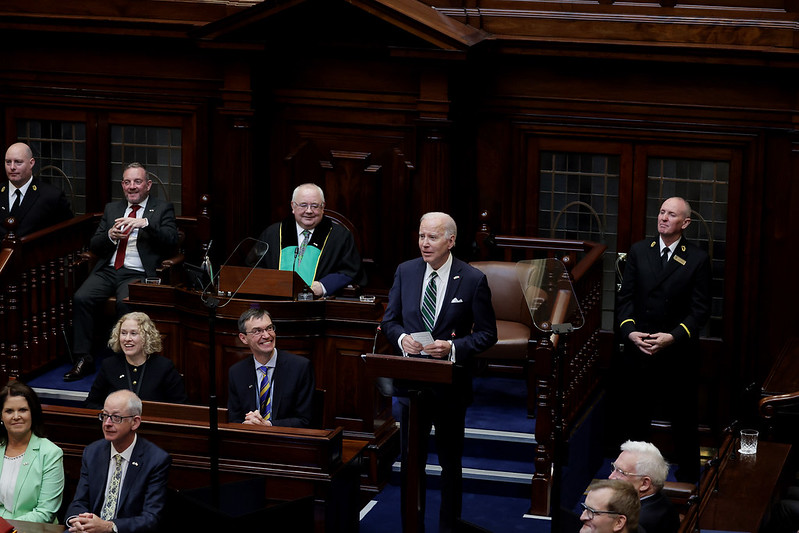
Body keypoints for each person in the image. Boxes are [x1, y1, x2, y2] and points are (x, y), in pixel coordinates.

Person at [381, 212, 497, 533]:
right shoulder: (405, 272)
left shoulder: (472, 279)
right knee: (410, 464)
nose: (424, 243)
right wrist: (403, 339)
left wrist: (453, 348)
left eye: (432, 237)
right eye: (421, 236)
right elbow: (389, 322)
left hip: (450, 388)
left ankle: (449, 528)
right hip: (412, 387)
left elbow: (488, 334)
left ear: (451, 240)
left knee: (450, 468)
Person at [615, 197, 711, 482]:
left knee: (683, 421)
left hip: (677, 353)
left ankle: (689, 481)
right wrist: (630, 331)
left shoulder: (696, 258)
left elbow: (700, 310)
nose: (664, 218)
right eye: (661, 212)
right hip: (641, 349)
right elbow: (625, 300)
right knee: (636, 420)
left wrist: (673, 336)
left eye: (671, 214)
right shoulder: (639, 251)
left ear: (685, 223)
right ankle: (632, 478)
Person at [65, 162, 179, 381]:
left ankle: (121, 360)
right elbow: (95, 244)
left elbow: (171, 240)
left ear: (148, 185)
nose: (132, 187)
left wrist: (143, 223)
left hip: (137, 272)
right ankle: (83, 359)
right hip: (108, 270)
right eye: (127, 182)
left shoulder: (162, 208)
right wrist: (109, 236)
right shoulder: (112, 209)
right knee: (81, 297)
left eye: (137, 182)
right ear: (123, 186)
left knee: (124, 302)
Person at [66, 389, 170, 533]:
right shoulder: (92, 452)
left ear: (135, 422)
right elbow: (79, 502)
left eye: (116, 417)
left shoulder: (155, 460)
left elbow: (151, 518)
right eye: (105, 416)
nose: (107, 423)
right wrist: (78, 521)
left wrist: (109, 527)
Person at [248, 183, 365, 297]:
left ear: (323, 207)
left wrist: (324, 286)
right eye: (303, 205)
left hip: (320, 308)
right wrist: (272, 284)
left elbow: (350, 270)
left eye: (314, 206)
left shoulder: (340, 237)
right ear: (293, 206)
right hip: (275, 303)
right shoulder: (273, 233)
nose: (309, 211)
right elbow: (253, 267)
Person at [227, 308, 315, 427]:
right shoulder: (237, 372)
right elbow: (233, 419)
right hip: (250, 440)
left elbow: (305, 420)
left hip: (287, 441)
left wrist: (268, 425)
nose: (267, 335)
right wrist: (247, 424)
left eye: (269, 328)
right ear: (243, 338)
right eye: (257, 331)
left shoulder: (300, 367)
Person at [84, 311, 187, 409]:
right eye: (123, 333)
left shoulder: (164, 367)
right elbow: (91, 403)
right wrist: (110, 416)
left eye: (134, 333)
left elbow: (180, 407)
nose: (127, 338)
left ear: (147, 337)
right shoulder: (109, 365)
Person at [0, 381, 64, 523]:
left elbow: (45, 512)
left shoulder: (50, 453)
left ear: (33, 413)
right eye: (9, 411)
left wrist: (6, 528)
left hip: (31, 528)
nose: (16, 416)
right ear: (1, 416)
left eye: (23, 410)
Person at [1, 142, 72, 239]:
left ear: (31, 163)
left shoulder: (51, 196)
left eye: (18, 162)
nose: (12, 167)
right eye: (8, 162)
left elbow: (68, 233)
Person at [608, 441, 679, 533]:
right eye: (614, 468)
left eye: (620, 472)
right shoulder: (656, 498)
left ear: (645, 484)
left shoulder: (635, 524)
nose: (611, 477)